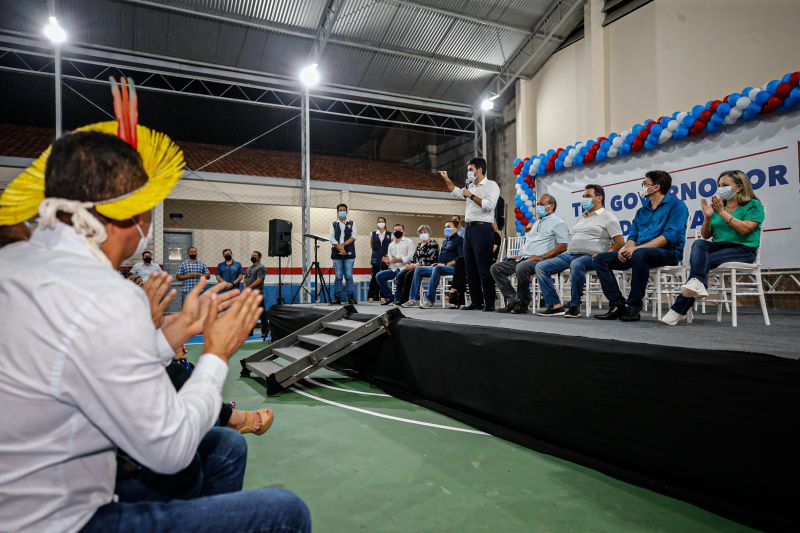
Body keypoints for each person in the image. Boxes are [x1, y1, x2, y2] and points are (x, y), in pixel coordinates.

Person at [0, 125, 309, 532]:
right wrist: (216, 355)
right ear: (137, 216)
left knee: (224, 449)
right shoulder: (104, 293)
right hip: (60, 520)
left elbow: (91, 360)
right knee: (286, 514)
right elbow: (171, 449)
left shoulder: (17, 264)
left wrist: (173, 333)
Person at [661, 170, 765, 326]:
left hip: (743, 250)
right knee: (698, 244)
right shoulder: (718, 206)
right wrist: (708, 218)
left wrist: (721, 213)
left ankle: (678, 309)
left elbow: (745, 229)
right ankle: (697, 284)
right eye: (719, 185)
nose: (721, 188)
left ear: (738, 187)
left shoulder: (753, 205)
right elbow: (705, 235)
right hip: (719, 246)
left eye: (725, 185)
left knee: (702, 263)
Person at [593, 170, 689, 322]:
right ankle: (618, 305)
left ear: (656, 187)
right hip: (639, 253)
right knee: (600, 259)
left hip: (667, 253)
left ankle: (633, 307)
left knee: (639, 255)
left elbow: (668, 237)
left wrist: (636, 249)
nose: (642, 187)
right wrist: (626, 249)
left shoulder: (677, 206)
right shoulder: (641, 211)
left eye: (645, 184)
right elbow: (633, 237)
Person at [534, 184, 625, 318]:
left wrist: (604, 255)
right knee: (541, 266)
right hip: (571, 254)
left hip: (590, 257)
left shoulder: (608, 217)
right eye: (583, 196)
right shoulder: (582, 217)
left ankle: (574, 306)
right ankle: (555, 305)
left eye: (587, 196)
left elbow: (620, 242)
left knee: (576, 264)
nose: (584, 199)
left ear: (599, 198)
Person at [491, 194, 569, 314]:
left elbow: (563, 246)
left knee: (521, 267)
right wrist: (520, 255)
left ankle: (523, 303)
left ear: (552, 206)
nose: (538, 207)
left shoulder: (559, 223)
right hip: (524, 258)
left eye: (542, 204)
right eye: (538, 204)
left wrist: (542, 256)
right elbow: (529, 242)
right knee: (496, 268)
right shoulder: (537, 223)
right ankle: (513, 300)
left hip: (542, 260)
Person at [439, 157, 500, 311]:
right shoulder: (470, 186)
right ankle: (476, 301)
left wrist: (470, 195)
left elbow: (488, 205)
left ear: (479, 170)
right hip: (470, 229)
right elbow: (455, 191)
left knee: (483, 266)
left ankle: (490, 302)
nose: (468, 172)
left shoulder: (491, 185)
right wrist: (447, 179)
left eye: (471, 169)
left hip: (483, 228)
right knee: (470, 266)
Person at [408, 220, 463, 308]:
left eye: (448, 227)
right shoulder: (445, 241)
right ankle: (413, 299)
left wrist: (445, 264)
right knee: (419, 269)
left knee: (437, 268)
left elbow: (461, 258)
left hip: (453, 268)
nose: (446, 229)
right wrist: (437, 263)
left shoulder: (460, 240)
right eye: (445, 227)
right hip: (440, 266)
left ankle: (430, 300)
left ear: (456, 229)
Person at [398, 224, 440, 307]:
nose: (423, 233)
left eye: (425, 232)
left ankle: (411, 299)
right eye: (421, 232)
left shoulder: (433, 244)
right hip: (416, 266)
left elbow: (429, 260)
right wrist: (409, 265)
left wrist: (416, 265)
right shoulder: (419, 244)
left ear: (429, 233)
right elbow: (414, 258)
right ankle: (401, 298)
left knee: (409, 275)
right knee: (401, 274)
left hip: (428, 267)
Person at [375, 223, 415, 305]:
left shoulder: (409, 242)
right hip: (393, 269)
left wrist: (399, 260)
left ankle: (397, 298)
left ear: (403, 231)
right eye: (396, 230)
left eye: (400, 230)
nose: (398, 231)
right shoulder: (391, 245)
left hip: (405, 268)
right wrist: (387, 261)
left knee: (399, 275)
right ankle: (391, 297)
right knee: (379, 276)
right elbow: (390, 260)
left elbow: (410, 257)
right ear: (393, 231)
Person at [329, 202, 357, 305]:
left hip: (349, 253)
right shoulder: (333, 224)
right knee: (339, 276)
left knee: (348, 275)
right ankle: (337, 297)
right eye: (340, 210)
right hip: (337, 253)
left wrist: (343, 245)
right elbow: (331, 238)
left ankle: (351, 297)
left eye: (343, 210)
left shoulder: (352, 223)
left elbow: (354, 237)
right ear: (337, 212)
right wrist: (340, 248)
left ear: (346, 212)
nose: (342, 212)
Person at [244, 250, 269, 340]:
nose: (253, 256)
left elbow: (259, 280)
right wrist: (246, 287)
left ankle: (265, 331)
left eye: (255, 255)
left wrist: (249, 287)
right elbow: (245, 278)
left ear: (259, 257)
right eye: (252, 255)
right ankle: (249, 332)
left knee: (261, 313)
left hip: (258, 293)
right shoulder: (249, 268)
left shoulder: (261, 267)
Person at [368, 216, 391, 302]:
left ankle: (383, 296)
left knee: (383, 278)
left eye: (382, 221)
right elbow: (371, 245)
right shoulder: (373, 233)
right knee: (374, 278)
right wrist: (377, 253)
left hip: (386, 259)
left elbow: (391, 246)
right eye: (379, 221)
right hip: (376, 259)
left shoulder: (389, 234)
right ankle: (371, 296)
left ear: (385, 223)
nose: (381, 223)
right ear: (377, 223)